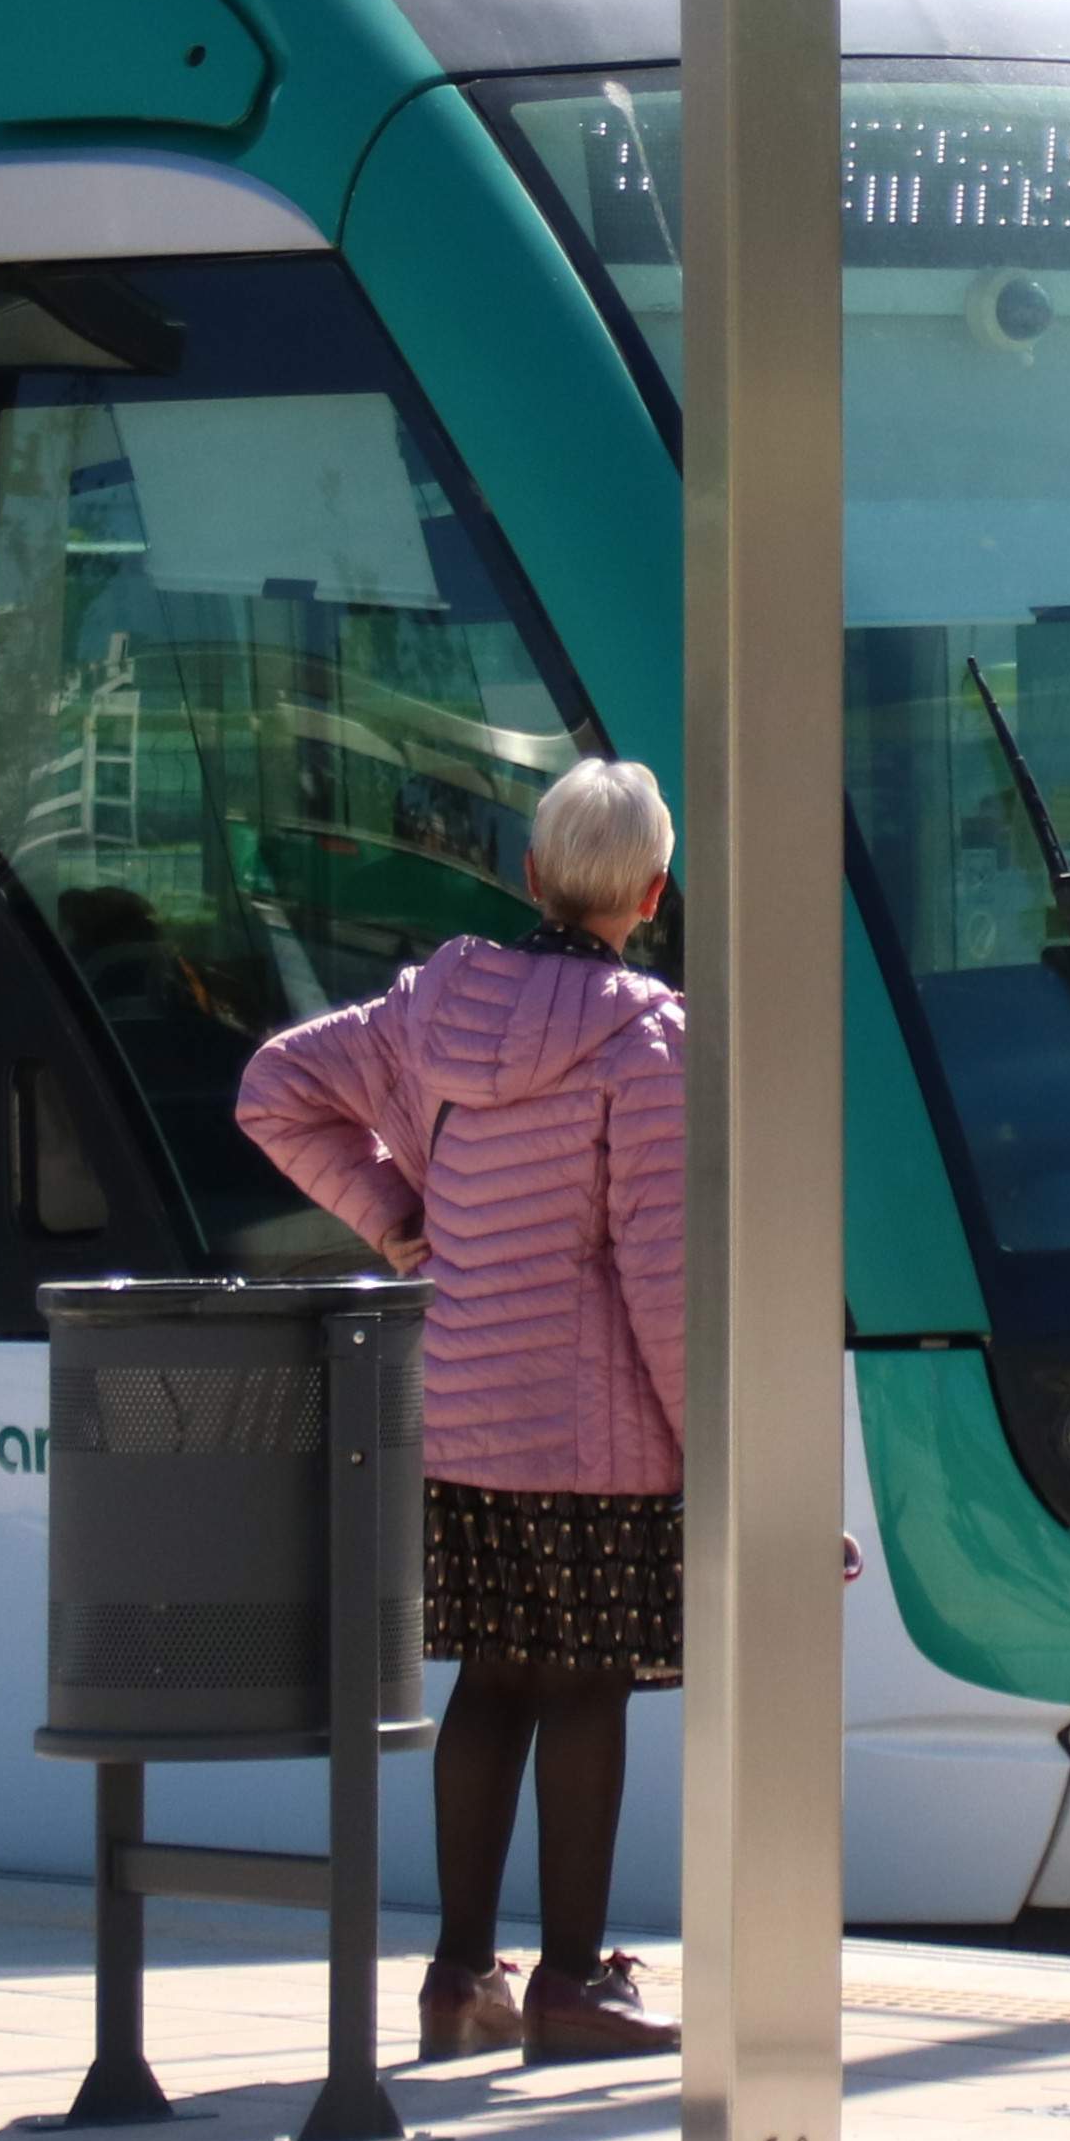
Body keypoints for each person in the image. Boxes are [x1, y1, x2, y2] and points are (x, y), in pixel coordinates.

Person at [236, 752, 695, 2071]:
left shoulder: (432, 1005)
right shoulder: (648, 1037)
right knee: (588, 1686)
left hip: (464, 1418)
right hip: (595, 1438)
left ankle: (456, 1979)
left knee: (489, 1677)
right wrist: (714, 1451)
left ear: (533, 873)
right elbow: (662, 1273)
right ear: (652, 890)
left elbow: (274, 1088)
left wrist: (399, 1220)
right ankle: (570, 1980)